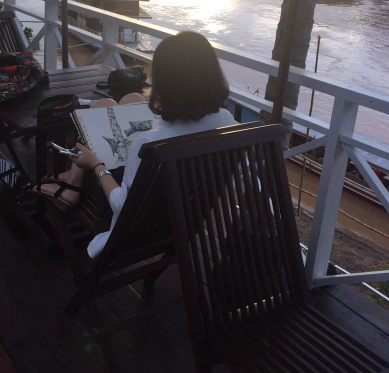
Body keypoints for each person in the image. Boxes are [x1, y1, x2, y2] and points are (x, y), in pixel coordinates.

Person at [35, 31, 237, 257]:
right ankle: (72, 178)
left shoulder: (148, 144)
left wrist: (96, 166)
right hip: (181, 209)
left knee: (101, 108)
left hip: (137, 215)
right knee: (133, 99)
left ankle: (74, 183)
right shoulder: (227, 122)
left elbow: (121, 206)